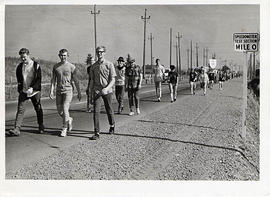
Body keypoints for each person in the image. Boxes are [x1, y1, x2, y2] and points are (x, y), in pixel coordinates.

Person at [9, 48, 45, 136]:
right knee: (20, 110)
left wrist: (33, 88)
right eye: (21, 57)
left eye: (24, 57)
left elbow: (39, 79)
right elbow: (19, 80)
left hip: (35, 91)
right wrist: (20, 89)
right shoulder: (20, 66)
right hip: (24, 91)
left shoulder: (36, 65)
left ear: (28, 55)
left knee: (38, 108)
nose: (23, 59)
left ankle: (41, 126)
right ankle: (17, 129)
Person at [49, 49, 81, 137]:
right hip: (59, 91)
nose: (63, 57)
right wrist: (51, 91)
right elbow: (53, 80)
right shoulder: (56, 67)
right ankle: (69, 119)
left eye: (65, 55)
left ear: (67, 56)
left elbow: (76, 80)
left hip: (68, 90)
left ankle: (64, 128)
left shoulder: (72, 67)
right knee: (60, 111)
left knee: (65, 108)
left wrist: (79, 92)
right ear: (59, 56)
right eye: (61, 55)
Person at [88, 46, 116, 140]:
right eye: (97, 52)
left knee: (109, 109)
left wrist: (107, 88)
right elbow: (92, 80)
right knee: (96, 111)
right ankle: (97, 132)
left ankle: (112, 125)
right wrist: (90, 91)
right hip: (97, 90)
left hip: (107, 90)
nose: (99, 54)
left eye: (101, 52)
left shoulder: (109, 64)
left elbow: (113, 79)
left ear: (104, 53)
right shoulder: (94, 66)